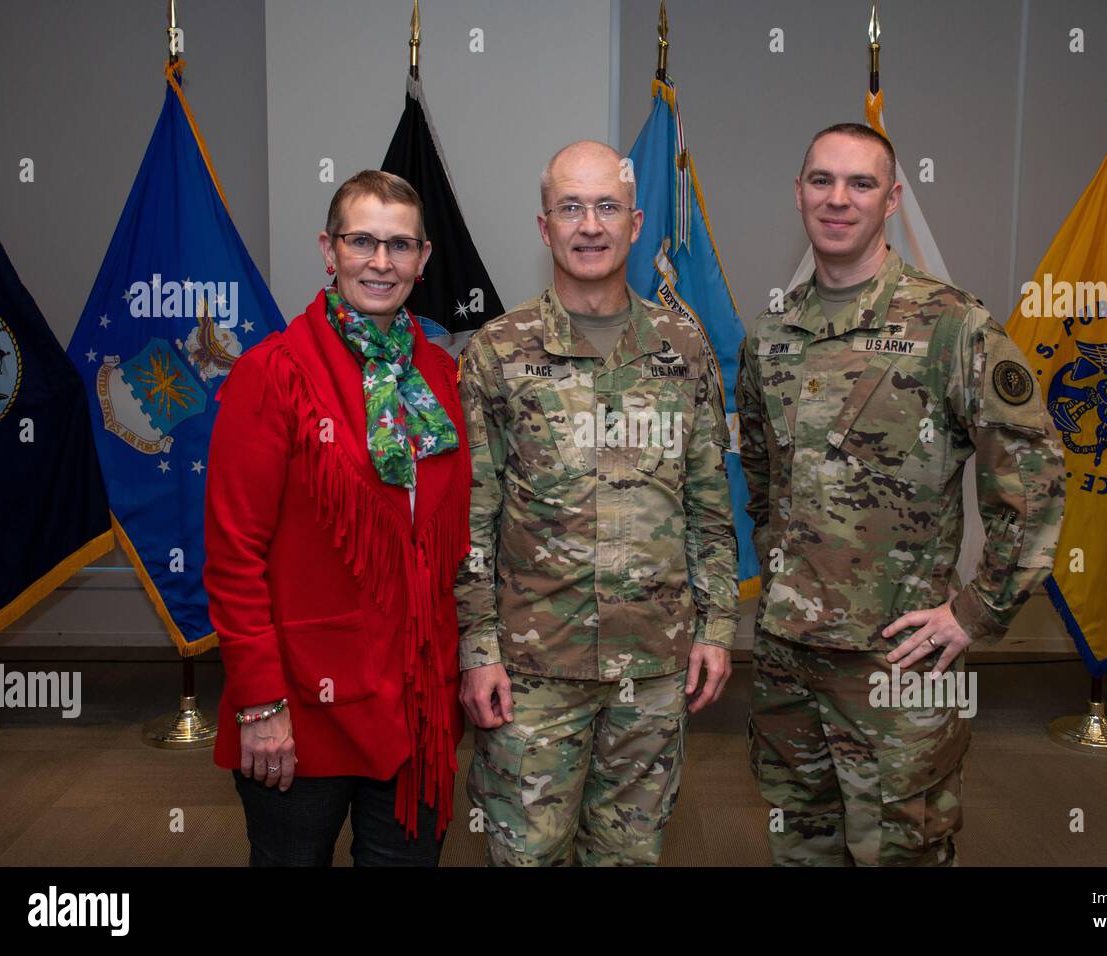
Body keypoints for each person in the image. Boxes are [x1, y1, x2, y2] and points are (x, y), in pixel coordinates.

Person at [737, 123, 1066, 866]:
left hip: (896, 661)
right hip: (789, 656)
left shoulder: (952, 326)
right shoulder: (771, 335)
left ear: (892, 198)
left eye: (860, 184)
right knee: (800, 842)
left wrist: (978, 609)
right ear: (798, 193)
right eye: (821, 181)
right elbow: (761, 475)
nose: (838, 199)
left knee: (900, 850)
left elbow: (1034, 476)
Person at [455, 140, 739, 866]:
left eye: (607, 206)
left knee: (628, 855)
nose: (590, 224)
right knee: (527, 855)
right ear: (543, 225)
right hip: (532, 670)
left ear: (636, 223)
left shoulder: (683, 346)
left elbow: (708, 498)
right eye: (571, 207)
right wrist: (477, 647)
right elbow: (472, 517)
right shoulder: (498, 352)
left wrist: (717, 625)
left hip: (652, 662)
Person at [204, 169, 470, 866]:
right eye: (362, 242)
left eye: (400, 245)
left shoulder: (442, 377)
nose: (381, 263)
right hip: (302, 707)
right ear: (329, 250)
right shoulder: (273, 373)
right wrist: (260, 707)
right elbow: (234, 557)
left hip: (415, 708)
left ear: (424, 259)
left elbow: (450, 543)